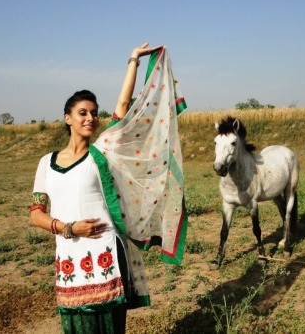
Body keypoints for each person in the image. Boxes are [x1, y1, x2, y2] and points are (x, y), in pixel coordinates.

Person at [29, 42, 188, 334]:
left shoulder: (101, 153)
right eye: (82, 113)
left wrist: (134, 60)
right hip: (69, 256)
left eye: (93, 113)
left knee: (111, 327)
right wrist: (69, 228)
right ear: (68, 118)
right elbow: (36, 213)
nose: (90, 118)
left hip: (105, 252)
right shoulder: (46, 163)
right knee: (76, 325)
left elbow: (123, 109)